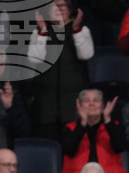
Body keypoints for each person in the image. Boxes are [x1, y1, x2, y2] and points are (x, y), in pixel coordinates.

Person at [27, 0, 94, 141]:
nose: (59, 9)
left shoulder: (82, 30)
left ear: (70, 10)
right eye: (54, 7)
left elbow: (86, 54)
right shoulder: (39, 32)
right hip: (45, 106)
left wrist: (76, 30)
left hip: (73, 105)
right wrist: (42, 32)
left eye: (63, 6)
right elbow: (34, 59)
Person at [58, 89, 129, 173]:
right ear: (79, 106)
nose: (91, 104)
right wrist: (83, 123)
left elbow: (120, 146)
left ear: (102, 106)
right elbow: (69, 150)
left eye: (96, 100)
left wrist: (108, 120)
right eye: (87, 101)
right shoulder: (70, 128)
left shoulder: (113, 126)